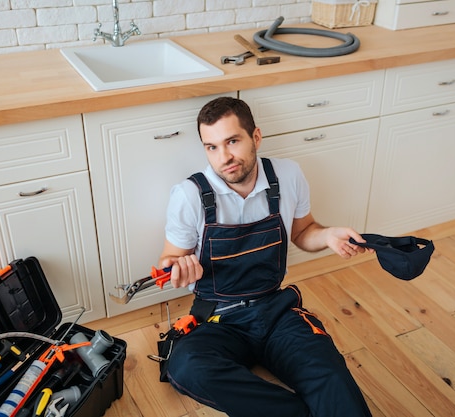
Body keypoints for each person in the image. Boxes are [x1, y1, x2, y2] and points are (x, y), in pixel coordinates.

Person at [158, 96, 373, 417]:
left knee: (329, 374)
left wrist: (327, 236)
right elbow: (169, 260)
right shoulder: (189, 195)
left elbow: (303, 232)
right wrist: (178, 269)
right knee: (187, 366)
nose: (224, 157)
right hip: (217, 319)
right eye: (212, 147)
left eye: (232, 141)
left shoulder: (288, 175)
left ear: (255, 137)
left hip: (276, 311)